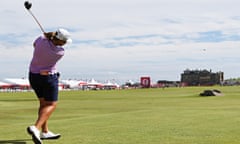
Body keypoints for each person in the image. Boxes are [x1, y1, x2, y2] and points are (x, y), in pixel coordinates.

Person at [27, 28, 72, 144]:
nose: (65, 43)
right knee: (51, 104)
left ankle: (45, 132)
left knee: (43, 104)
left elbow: (34, 44)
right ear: (61, 41)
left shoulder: (41, 39)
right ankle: (36, 128)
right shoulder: (60, 52)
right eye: (65, 41)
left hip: (33, 76)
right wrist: (49, 37)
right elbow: (53, 44)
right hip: (48, 78)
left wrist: (47, 36)